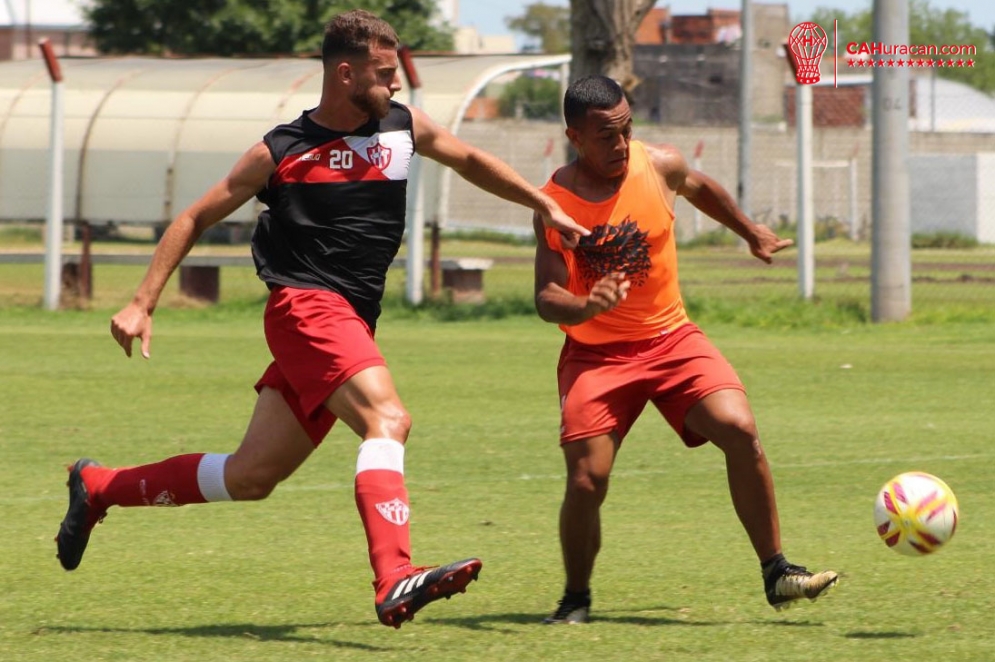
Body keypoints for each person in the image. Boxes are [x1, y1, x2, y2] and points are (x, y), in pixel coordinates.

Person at [55, 10, 587, 630]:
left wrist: (542, 203)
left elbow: (468, 159)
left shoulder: (403, 125)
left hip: (348, 322)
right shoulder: (280, 151)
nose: (395, 84)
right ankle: (394, 575)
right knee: (387, 419)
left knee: (251, 475)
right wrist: (142, 301)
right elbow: (194, 217)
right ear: (345, 74)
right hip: (305, 308)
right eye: (383, 73)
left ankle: (100, 486)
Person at [532, 75, 838, 624]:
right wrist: (584, 306)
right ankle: (575, 598)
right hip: (596, 356)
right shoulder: (554, 204)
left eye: (627, 130)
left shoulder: (660, 164)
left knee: (739, 429)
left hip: (672, 339)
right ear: (574, 137)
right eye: (606, 136)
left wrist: (748, 230)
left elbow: (698, 187)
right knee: (586, 479)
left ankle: (777, 571)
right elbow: (546, 296)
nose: (621, 144)